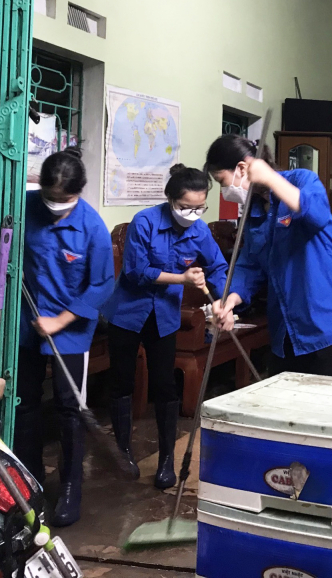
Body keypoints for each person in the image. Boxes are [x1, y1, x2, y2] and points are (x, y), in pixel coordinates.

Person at [103, 165, 228, 489]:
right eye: (185, 207)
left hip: (164, 316)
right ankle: (123, 452)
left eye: (199, 208)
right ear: (170, 199)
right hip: (127, 313)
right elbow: (136, 272)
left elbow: (218, 266)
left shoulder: (199, 231)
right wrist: (182, 278)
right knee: (121, 382)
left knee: (165, 385)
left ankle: (166, 461)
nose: (192, 214)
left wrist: (221, 300)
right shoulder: (145, 221)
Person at [205, 134, 332, 378]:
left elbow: (315, 212)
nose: (224, 190)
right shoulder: (253, 212)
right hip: (287, 330)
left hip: (330, 324)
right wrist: (230, 301)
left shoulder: (302, 180)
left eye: (222, 181)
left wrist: (270, 178)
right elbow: (249, 266)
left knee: (328, 402)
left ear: (242, 168)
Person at [15, 147, 115, 527]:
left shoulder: (92, 228)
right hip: (26, 323)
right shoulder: (25, 207)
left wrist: (60, 321)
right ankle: (30, 481)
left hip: (70, 329)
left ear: (79, 192)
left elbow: (102, 285)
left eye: (64, 199)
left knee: (68, 408)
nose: (55, 205)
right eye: (49, 197)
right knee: (24, 405)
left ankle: (71, 486)